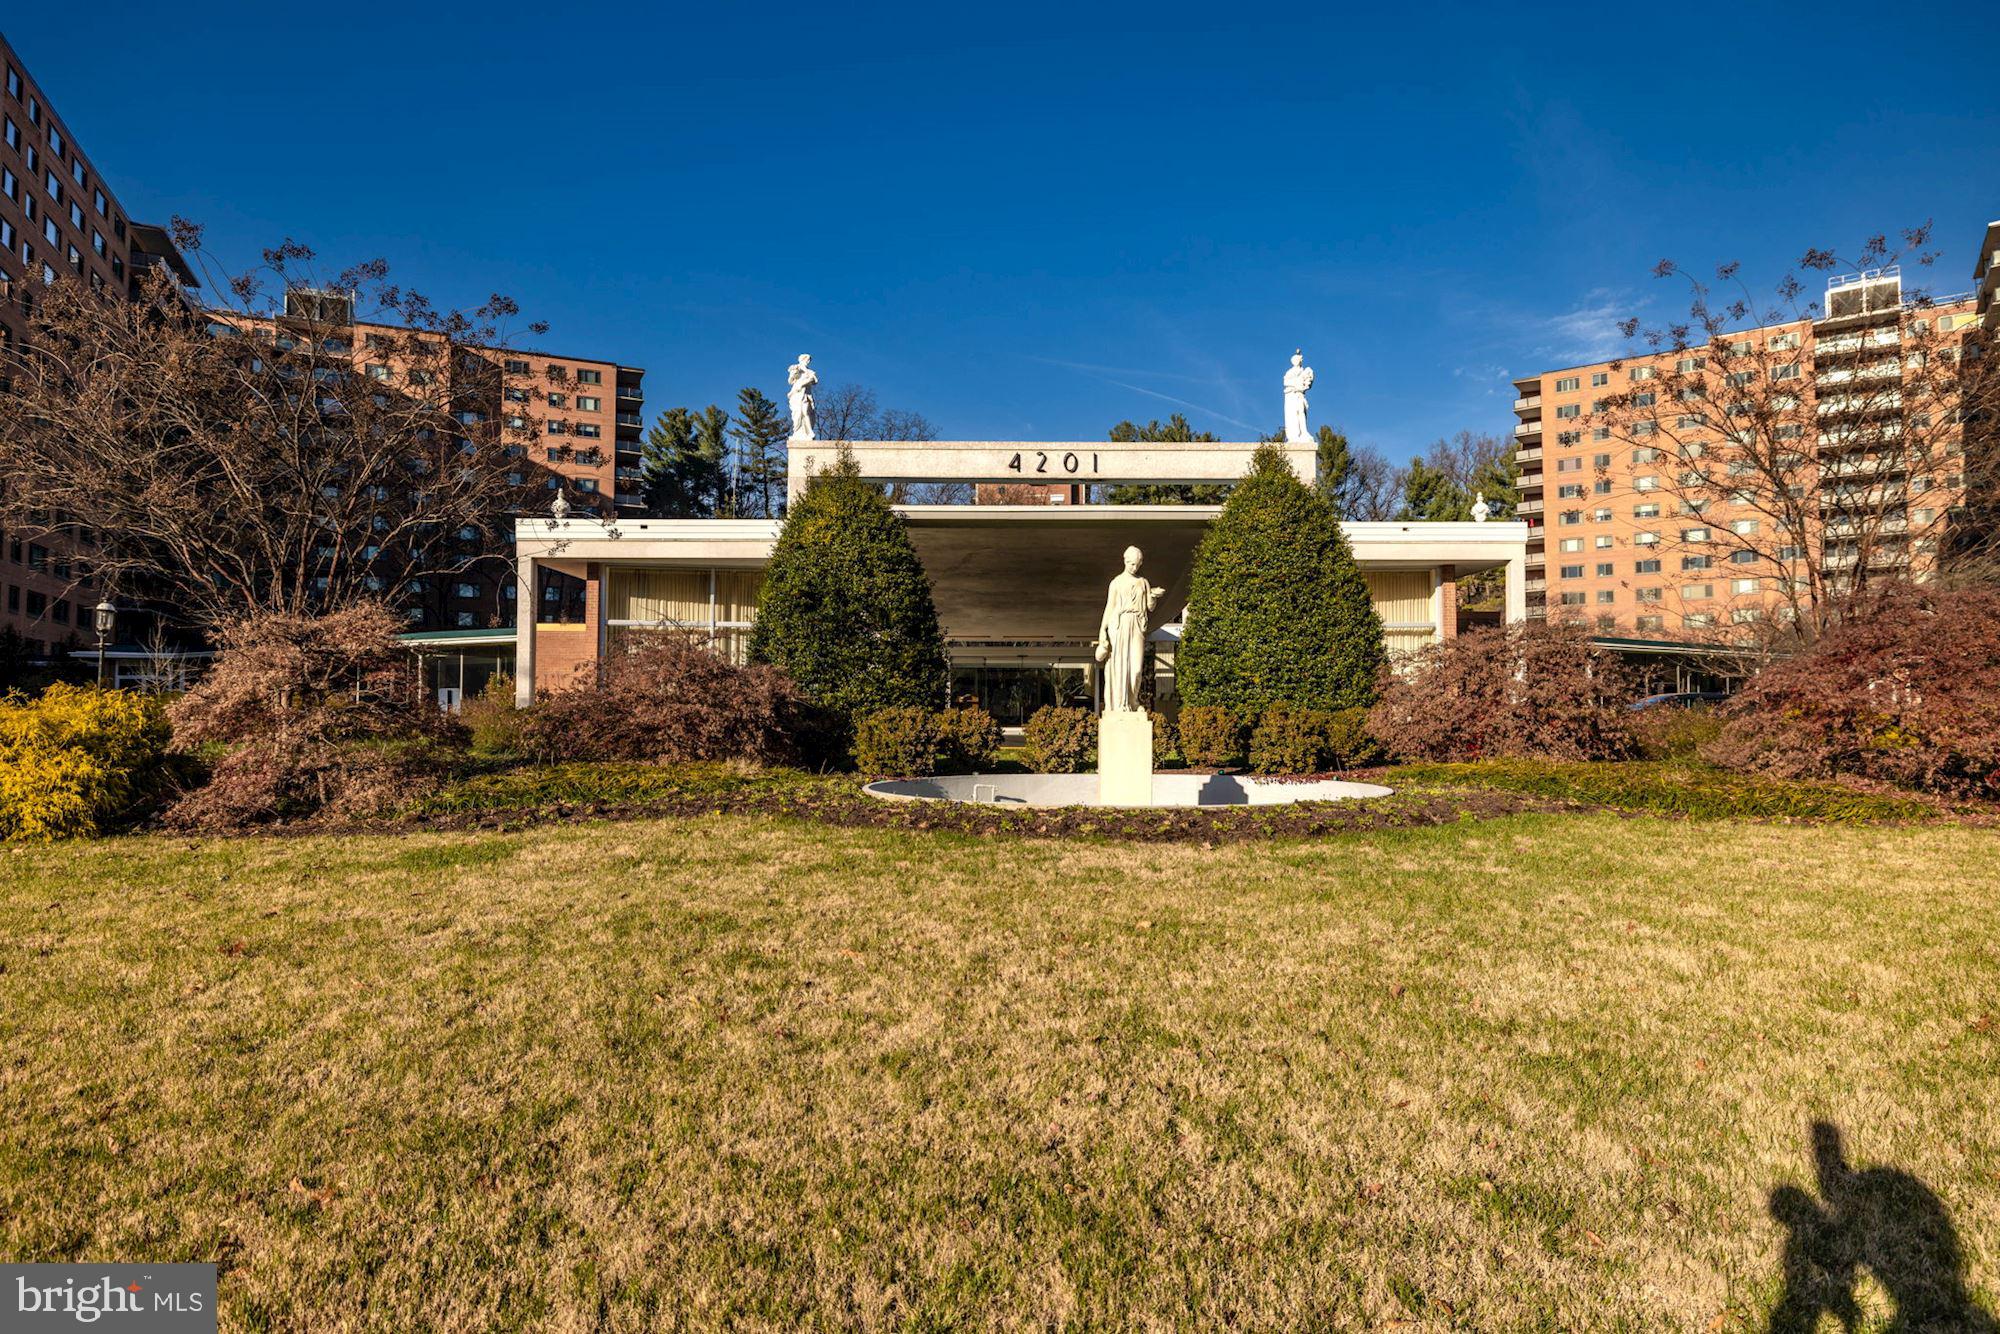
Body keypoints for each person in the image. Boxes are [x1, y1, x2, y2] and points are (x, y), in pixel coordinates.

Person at [1096, 546, 1163, 713]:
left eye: (1138, 564)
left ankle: (1133, 701)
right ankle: (1122, 704)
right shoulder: (1116, 583)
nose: (1134, 567)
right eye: (1132, 564)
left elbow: (1150, 607)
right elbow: (1109, 607)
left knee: (1136, 669)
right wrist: (1102, 631)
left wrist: (1153, 596)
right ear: (1125, 561)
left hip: (1138, 624)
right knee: (1120, 665)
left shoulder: (1143, 582)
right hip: (1119, 624)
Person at [786, 354, 818, 440]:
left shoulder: (810, 371)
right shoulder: (796, 367)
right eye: (806, 360)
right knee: (797, 413)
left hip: (806, 394)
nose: (808, 362)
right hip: (796, 393)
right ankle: (798, 432)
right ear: (801, 360)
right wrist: (794, 373)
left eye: (809, 360)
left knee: (805, 411)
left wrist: (809, 379)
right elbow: (790, 381)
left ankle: (810, 432)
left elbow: (815, 381)